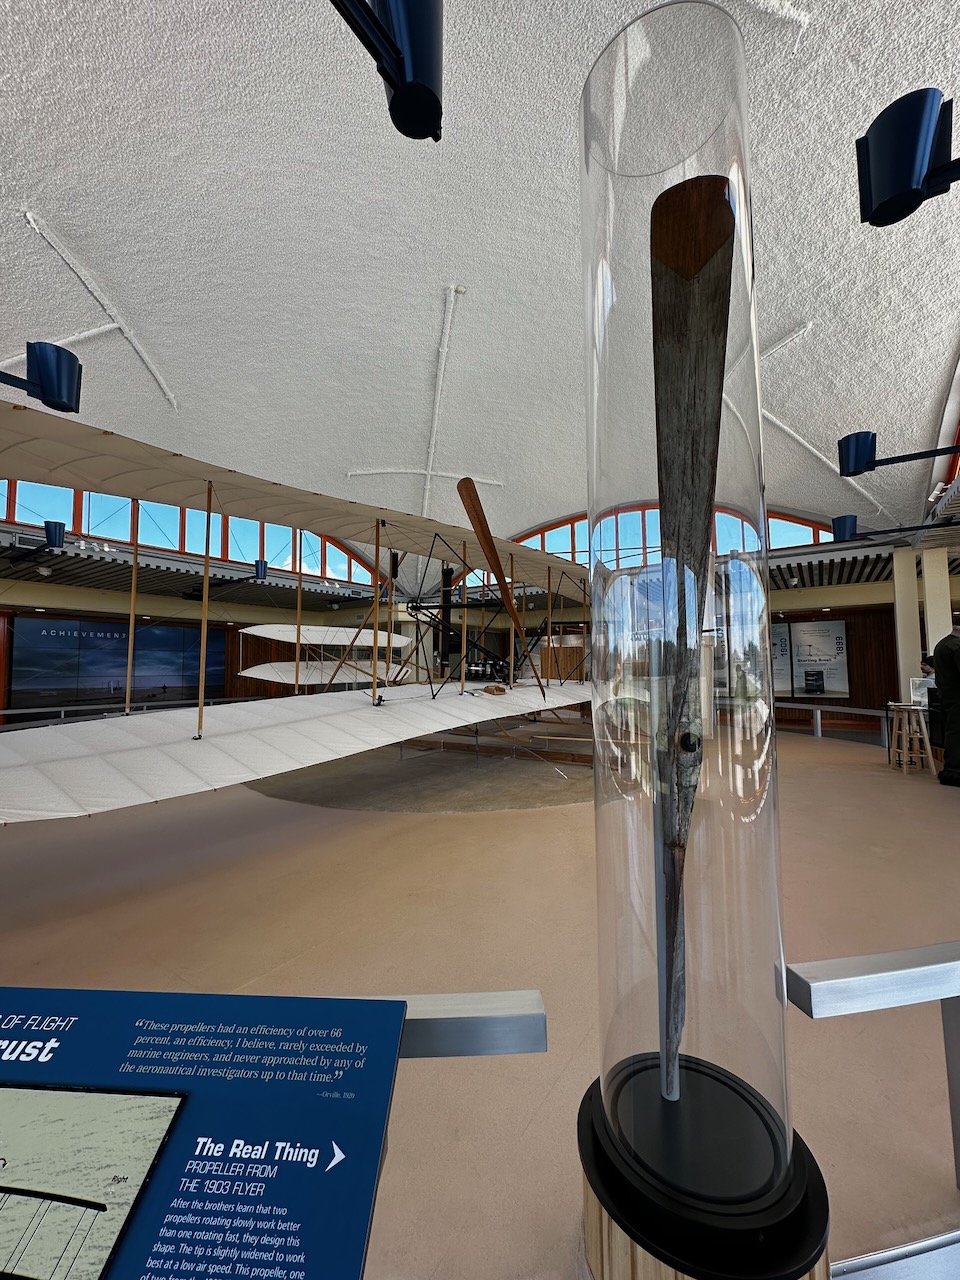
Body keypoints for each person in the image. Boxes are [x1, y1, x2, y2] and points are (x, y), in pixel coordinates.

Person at [933, 623, 960, 786]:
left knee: (953, 732)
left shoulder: (942, 644)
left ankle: (952, 769)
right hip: (957, 696)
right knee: (957, 734)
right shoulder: (956, 646)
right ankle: (954, 771)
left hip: (946, 696)